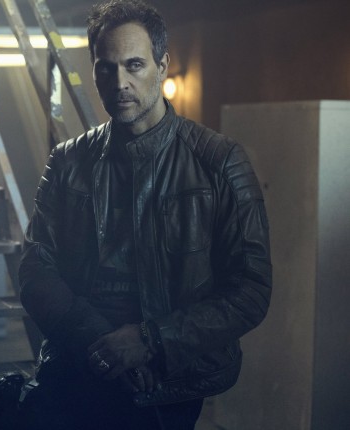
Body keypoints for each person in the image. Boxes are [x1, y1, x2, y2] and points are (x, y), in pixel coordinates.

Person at [17, 0, 272, 429]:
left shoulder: (219, 161)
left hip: (171, 378)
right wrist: (101, 344)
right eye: (106, 68)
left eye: (134, 65)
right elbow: (34, 268)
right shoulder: (67, 161)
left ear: (163, 65)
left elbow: (251, 289)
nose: (120, 82)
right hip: (81, 364)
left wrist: (151, 341)